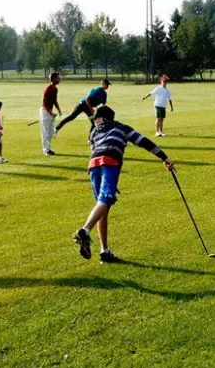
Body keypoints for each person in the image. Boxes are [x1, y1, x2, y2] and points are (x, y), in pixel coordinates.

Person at [72, 106, 175, 264]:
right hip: (110, 161)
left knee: (102, 206)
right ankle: (85, 231)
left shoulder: (94, 133)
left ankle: (104, 251)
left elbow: (95, 151)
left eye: (97, 119)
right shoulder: (122, 128)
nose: (95, 122)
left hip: (93, 165)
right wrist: (164, 158)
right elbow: (144, 142)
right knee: (104, 201)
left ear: (105, 118)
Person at [40, 72, 62, 156]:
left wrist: (58, 110)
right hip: (45, 112)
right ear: (53, 79)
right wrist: (50, 113)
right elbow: (44, 103)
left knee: (50, 132)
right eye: (58, 78)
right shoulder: (48, 89)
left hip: (50, 112)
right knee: (45, 132)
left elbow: (54, 101)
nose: (59, 79)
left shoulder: (55, 89)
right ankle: (46, 150)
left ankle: (48, 148)